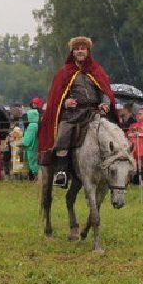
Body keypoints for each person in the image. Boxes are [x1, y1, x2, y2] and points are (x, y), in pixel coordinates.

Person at [40, 37, 117, 189]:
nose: (80, 51)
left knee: (112, 134)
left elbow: (105, 92)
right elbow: (57, 96)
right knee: (63, 133)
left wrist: (105, 104)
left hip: (94, 112)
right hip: (72, 114)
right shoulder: (64, 72)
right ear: (73, 52)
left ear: (88, 51)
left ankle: (116, 169)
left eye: (83, 48)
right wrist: (66, 102)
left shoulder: (97, 70)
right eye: (77, 49)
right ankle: (62, 172)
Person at [20, 107, 40, 180]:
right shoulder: (37, 124)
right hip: (36, 145)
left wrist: (23, 143)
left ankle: (37, 176)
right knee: (36, 160)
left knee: (32, 161)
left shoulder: (31, 126)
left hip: (31, 146)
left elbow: (28, 137)